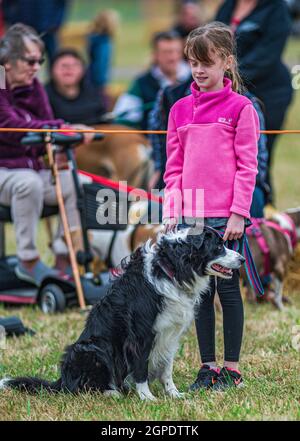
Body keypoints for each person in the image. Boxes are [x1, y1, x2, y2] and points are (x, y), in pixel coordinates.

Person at [163, 22, 259, 390]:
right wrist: (174, 211)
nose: (200, 71)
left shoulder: (241, 108)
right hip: (191, 217)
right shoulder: (179, 111)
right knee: (200, 291)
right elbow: (173, 168)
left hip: (226, 218)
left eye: (208, 62)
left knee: (228, 291)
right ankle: (207, 368)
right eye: (193, 63)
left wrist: (239, 212)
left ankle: (231, 369)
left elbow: (248, 164)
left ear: (227, 63)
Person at [0, 24, 93, 286]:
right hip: (6, 171)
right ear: (8, 61)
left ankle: (66, 258)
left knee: (78, 183)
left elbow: (47, 125)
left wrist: (62, 143)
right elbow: (9, 125)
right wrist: (59, 129)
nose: (36, 67)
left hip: (31, 169)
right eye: (30, 60)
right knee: (26, 183)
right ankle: (27, 260)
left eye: (40, 60)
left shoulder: (34, 85)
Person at [215, 0, 293, 206]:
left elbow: (268, 53)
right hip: (230, 90)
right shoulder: (227, 6)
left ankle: (262, 209)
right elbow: (211, 41)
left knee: (257, 158)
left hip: (269, 93)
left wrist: (229, 76)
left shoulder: (276, 8)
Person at [113, 30, 190, 130]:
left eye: (177, 51)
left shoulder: (195, 79)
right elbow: (123, 120)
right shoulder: (142, 83)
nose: (173, 57)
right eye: (167, 52)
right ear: (155, 55)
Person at [46, 48, 107, 125]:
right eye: (63, 65)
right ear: (52, 70)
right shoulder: (42, 96)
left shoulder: (94, 93)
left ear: (83, 70)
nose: (69, 69)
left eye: (74, 65)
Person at [2, 0, 69, 63]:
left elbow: (62, 3)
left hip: (47, 29)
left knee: (54, 59)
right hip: (23, 29)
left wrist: (57, 22)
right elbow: (6, 4)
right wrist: (11, 17)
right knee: (24, 60)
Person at [87, 9, 119, 101]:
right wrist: (102, 84)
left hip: (91, 78)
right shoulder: (104, 44)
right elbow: (101, 65)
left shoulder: (94, 39)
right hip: (98, 84)